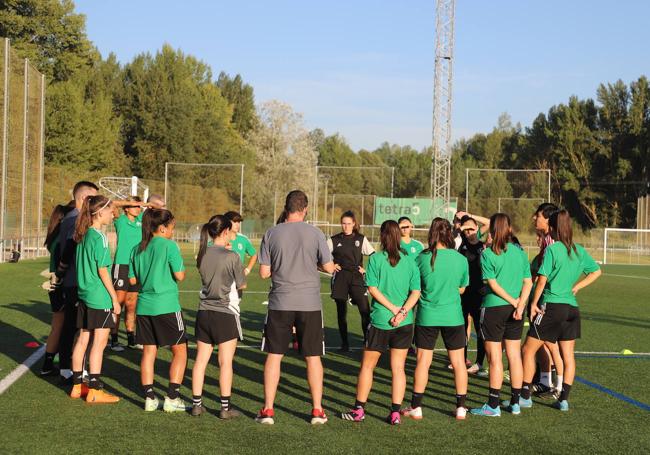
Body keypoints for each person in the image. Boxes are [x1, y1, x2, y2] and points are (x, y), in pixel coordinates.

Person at [255, 190, 335, 425]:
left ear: (286, 208)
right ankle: (317, 410)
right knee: (313, 357)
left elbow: (264, 273)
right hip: (309, 303)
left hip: (280, 302)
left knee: (274, 355)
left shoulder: (272, 233)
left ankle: (268, 410)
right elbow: (330, 268)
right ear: (305, 209)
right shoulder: (316, 232)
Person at [341, 220, 420, 425]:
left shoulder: (376, 259)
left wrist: (394, 310)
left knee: (367, 367)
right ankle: (395, 413)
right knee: (398, 369)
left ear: (384, 236)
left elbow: (373, 289)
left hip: (380, 321)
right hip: (404, 323)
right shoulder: (410, 260)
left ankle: (359, 410)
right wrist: (402, 312)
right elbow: (416, 292)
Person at [522, 210, 601, 411]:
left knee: (527, 349)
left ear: (553, 227)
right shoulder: (578, 250)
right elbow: (597, 271)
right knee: (568, 355)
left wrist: (533, 304)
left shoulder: (553, 250)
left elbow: (541, 280)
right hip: (572, 309)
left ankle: (524, 396)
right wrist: (577, 287)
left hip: (552, 306)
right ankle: (563, 399)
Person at [401, 218, 469, 420]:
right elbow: (462, 288)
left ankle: (416, 406)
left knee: (423, 362)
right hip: (453, 316)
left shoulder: (422, 258)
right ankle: (461, 408)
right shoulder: (460, 259)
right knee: (458, 362)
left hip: (427, 316)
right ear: (449, 233)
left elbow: (413, 286)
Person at [471, 213, 533, 417]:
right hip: (516, 310)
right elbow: (528, 282)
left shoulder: (488, 253)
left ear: (492, 230)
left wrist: (514, 301)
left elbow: (493, 284)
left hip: (494, 309)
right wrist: (520, 304)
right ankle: (515, 403)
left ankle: (493, 405)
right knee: (514, 356)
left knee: (495, 359)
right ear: (509, 229)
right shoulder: (520, 253)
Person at [128, 209, 188, 412]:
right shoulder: (169, 246)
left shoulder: (137, 248)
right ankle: (172, 397)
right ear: (162, 228)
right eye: (172, 227)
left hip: (144, 307)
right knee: (180, 351)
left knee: (148, 352)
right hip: (167, 306)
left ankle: (149, 398)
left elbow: (133, 280)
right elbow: (180, 275)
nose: (173, 231)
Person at [191, 215, 246, 419]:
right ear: (224, 232)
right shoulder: (232, 256)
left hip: (204, 312)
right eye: (231, 231)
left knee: (200, 361)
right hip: (225, 313)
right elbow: (242, 284)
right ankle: (225, 408)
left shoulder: (202, 254)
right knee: (225, 363)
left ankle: (197, 404)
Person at [69, 195, 120, 403]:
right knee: (98, 344)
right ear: (99, 213)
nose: (113, 214)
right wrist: (115, 299)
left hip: (84, 295)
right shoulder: (99, 237)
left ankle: (77, 386)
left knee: (82, 340)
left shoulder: (81, 235)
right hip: (99, 297)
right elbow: (103, 271)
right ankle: (95, 390)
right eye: (110, 210)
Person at [54, 181, 99, 383]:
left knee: (75, 326)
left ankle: (71, 366)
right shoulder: (74, 221)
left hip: (76, 280)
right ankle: (68, 367)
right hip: (75, 281)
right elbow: (69, 251)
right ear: (83, 199)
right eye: (93, 199)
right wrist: (62, 273)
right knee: (73, 327)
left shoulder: (74, 219)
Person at [328, 210, 375, 351]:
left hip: (356, 277)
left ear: (354, 224)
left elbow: (374, 255)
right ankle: (344, 343)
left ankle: (367, 341)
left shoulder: (360, 239)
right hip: (340, 277)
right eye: (343, 223)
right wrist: (331, 265)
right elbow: (321, 255)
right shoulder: (333, 240)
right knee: (341, 313)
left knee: (365, 311)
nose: (346, 226)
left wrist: (366, 270)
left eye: (349, 223)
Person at [531, 202, 564, 397]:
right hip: (547, 296)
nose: (535, 218)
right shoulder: (546, 239)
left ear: (548, 220)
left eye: (538, 216)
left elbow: (548, 273)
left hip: (549, 298)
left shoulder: (551, 242)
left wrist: (535, 301)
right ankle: (546, 381)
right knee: (544, 342)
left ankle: (557, 386)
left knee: (546, 343)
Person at [40, 202, 75, 376]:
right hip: (60, 283)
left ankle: (48, 364)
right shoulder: (63, 236)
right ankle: (65, 365)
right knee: (65, 326)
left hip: (54, 283)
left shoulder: (54, 236)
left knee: (57, 325)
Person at [109, 196, 146, 351]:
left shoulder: (141, 221)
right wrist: (128, 202)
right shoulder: (121, 220)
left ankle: (131, 338)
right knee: (119, 303)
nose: (138, 209)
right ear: (126, 208)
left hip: (136, 266)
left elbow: (159, 208)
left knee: (132, 305)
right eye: (134, 206)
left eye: (139, 206)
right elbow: (111, 204)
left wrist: (145, 204)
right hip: (122, 265)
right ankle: (114, 340)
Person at [456, 215, 487, 376]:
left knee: (479, 328)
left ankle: (480, 362)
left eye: (471, 229)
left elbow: (488, 223)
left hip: (480, 293)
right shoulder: (461, 244)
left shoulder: (483, 246)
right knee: (462, 327)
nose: (468, 232)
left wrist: (471, 221)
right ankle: (461, 359)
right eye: (465, 229)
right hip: (464, 293)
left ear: (477, 228)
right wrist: (461, 229)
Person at [224, 211, 257, 277]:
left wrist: (248, 270)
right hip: (221, 278)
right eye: (235, 222)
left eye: (239, 222)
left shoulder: (243, 239)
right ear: (227, 222)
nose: (237, 225)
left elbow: (254, 255)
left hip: (237, 279)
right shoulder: (219, 238)